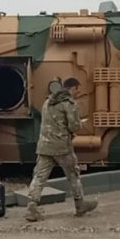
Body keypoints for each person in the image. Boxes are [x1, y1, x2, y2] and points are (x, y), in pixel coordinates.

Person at [25, 77, 98, 221]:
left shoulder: (48, 102)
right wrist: (80, 124)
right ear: (72, 88)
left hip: (45, 146)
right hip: (62, 147)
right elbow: (74, 126)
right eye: (77, 90)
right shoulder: (69, 103)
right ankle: (80, 204)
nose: (78, 93)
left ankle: (32, 206)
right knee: (73, 175)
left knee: (39, 177)